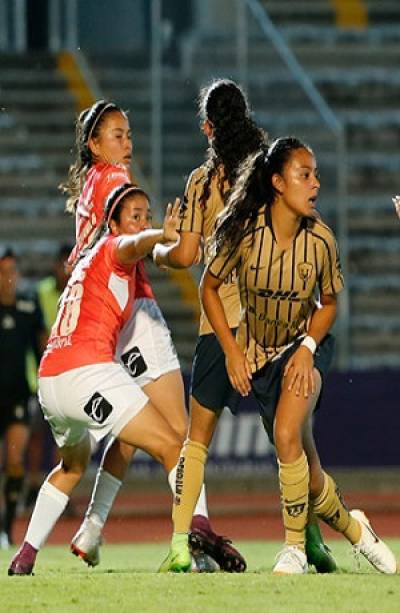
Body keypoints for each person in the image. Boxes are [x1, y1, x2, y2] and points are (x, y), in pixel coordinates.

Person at [161, 136, 398, 575]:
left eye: (316, 175)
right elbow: (208, 288)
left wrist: (307, 350)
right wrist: (231, 351)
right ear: (276, 182)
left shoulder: (322, 240)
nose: (316, 184)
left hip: (304, 349)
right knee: (308, 476)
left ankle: (293, 549)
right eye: (305, 174)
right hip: (254, 350)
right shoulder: (244, 234)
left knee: (287, 434)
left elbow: (329, 303)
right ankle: (356, 529)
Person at [154, 81, 336, 573]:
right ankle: (309, 541)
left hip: (218, 327)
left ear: (208, 127)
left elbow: (189, 256)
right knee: (292, 442)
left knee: (197, 440)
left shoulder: (200, 181)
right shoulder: (268, 170)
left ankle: (176, 542)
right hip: (271, 323)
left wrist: (158, 249)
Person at [61, 99, 234, 572]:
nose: (127, 143)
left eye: (129, 134)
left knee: (137, 430)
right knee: (180, 432)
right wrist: (174, 244)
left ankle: (92, 526)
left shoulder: (90, 187)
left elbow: (108, 249)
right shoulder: (117, 182)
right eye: (116, 135)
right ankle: (197, 542)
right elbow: (136, 244)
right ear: (94, 144)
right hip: (134, 312)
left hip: (105, 322)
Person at [8, 185, 183, 576]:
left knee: (72, 465)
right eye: (134, 214)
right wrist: (160, 235)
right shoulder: (112, 248)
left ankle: (25, 556)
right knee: (174, 444)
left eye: (146, 213)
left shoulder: (84, 265)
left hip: (51, 381)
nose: (142, 220)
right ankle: (189, 542)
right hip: (87, 372)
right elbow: (132, 243)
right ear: (113, 224)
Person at [0, 247, 47, 548]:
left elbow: (42, 347)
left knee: (16, 462)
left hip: (18, 394)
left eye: (12, 272)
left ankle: (6, 530)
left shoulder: (28, 308)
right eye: (4, 272)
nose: (9, 278)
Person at [25, 244, 73, 508]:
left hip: (67, 375)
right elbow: (40, 333)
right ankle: (33, 485)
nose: (66, 269)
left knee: (62, 436)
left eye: (70, 264)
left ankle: (57, 491)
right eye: (63, 264)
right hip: (40, 374)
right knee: (35, 434)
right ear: (56, 265)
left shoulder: (77, 290)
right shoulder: (42, 292)